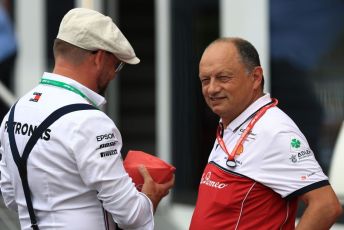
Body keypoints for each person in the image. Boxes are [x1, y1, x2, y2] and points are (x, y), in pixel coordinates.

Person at [0, 8, 174, 230]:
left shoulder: (15, 112)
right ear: (100, 58)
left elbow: (11, 196)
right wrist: (150, 197)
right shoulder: (91, 121)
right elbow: (131, 217)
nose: (114, 74)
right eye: (117, 65)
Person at [189, 37, 342, 229]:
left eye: (223, 78)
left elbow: (326, 206)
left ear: (255, 78)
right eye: (205, 80)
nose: (212, 89)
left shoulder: (274, 130)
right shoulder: (232, 121)